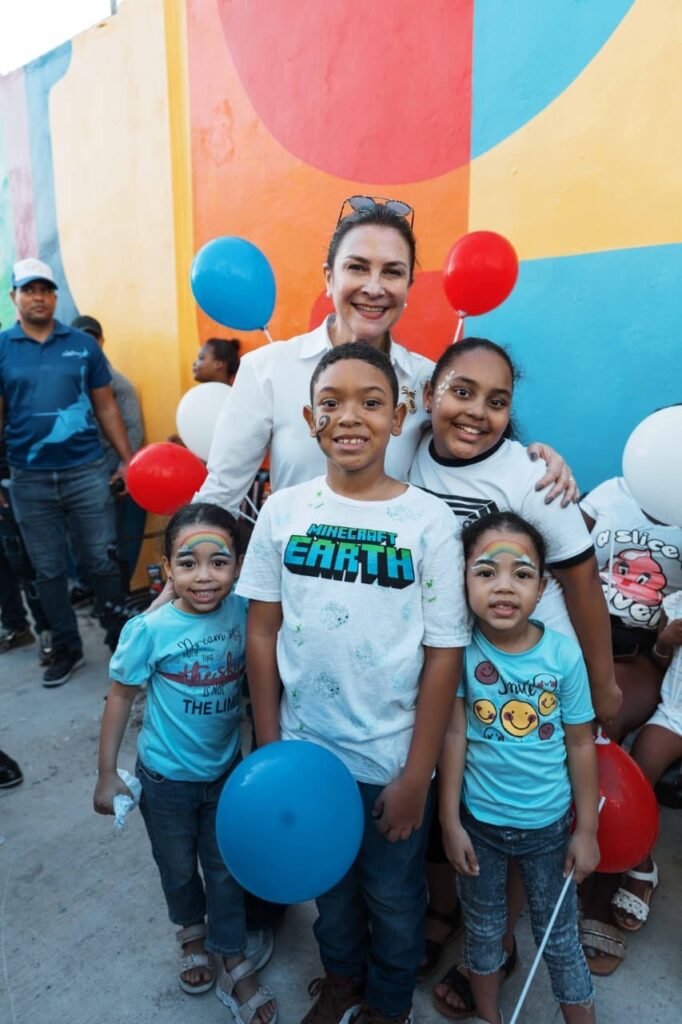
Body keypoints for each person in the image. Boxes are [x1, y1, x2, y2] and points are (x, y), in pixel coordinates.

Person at [236, 343, 471, 1024]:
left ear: (398, 418)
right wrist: (272, 750)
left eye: (371, 402)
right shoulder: (283, 511)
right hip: (305, 755)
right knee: (329, 890)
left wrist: (416, 775)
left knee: (394, 895)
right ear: (309, 419)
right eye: (331, 402)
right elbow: (261, 631)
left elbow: (444, 654)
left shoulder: (429, 521)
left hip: (390, 759)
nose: (349, 416)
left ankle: (389, 1003)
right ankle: (341, 979)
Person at [406, 338, 619, 1006]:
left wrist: (603, 680)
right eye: (461, 392)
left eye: (497, 401)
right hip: (457, 661)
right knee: (460, 789)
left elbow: (582, 580)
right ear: (428, 396)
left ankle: (497, 943)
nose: (477, 412)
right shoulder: (407, 449)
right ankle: (451, 916)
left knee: (521, 803)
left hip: (531, 669)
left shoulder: (529, 476)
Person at [196, 199, 576, 514]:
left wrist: (536, 460)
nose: (374, 288)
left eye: (392, 273)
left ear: (408, 286)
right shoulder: (268, 369)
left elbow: (479, 446)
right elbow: (220, 497)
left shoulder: (428, 380)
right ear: (329, 278)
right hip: (293, 577)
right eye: (357, 268)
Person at [93, 502, 277, 1023]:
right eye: (188, 563)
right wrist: (106, 774)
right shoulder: (149, 630)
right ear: (167, 568)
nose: (204, 576)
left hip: (225, 775)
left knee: (225, 870)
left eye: (218, 562)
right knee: (177, 868)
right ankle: (191, 933)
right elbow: (120, 699)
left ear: (238, 565)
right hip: (165, 780)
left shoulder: (245, 612)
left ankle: (232, 955)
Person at [440, 511, 599, 1024]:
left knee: (560, 939)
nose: (504, 586)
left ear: (542, 586)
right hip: (479, 828)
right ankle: (489, 1015)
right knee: (483, 932)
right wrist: (449, 822)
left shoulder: (564, 656)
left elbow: (581, 743)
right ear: (463, 579)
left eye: (522, 573)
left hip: (549, 829)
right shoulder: (458, 652)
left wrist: (587, 831)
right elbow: (454, 735)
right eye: (486, 572)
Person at [0, 259, 133, 685]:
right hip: (29, 477)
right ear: (14, 297)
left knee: (103, 560)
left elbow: (106, 406)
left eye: (46, 290)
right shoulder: (3, 348)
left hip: (85, 471)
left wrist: (128, 460)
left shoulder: (82, 345)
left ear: (54, 297)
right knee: (49, 569)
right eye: (29, 290)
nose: (38, 297)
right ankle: (67, 647)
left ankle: (120, 642)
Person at [576, 473, 682, 974]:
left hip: (645, 655)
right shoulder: (611, 493)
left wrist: (664, 642)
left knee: (606, 725)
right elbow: (561, 555)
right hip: (583, 638)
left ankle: (606, 882)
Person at [71, 315, 146, 584]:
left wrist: (124, 468)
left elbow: (133, 428)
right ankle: (86, 588)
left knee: (113, 539)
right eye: (82, 337)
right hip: (77, 474)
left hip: (112, 475)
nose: (89, 343)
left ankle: (116, 592)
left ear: (101, 341)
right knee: (79, 538)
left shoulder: (118, 383)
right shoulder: (66, 382)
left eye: (93, 337)